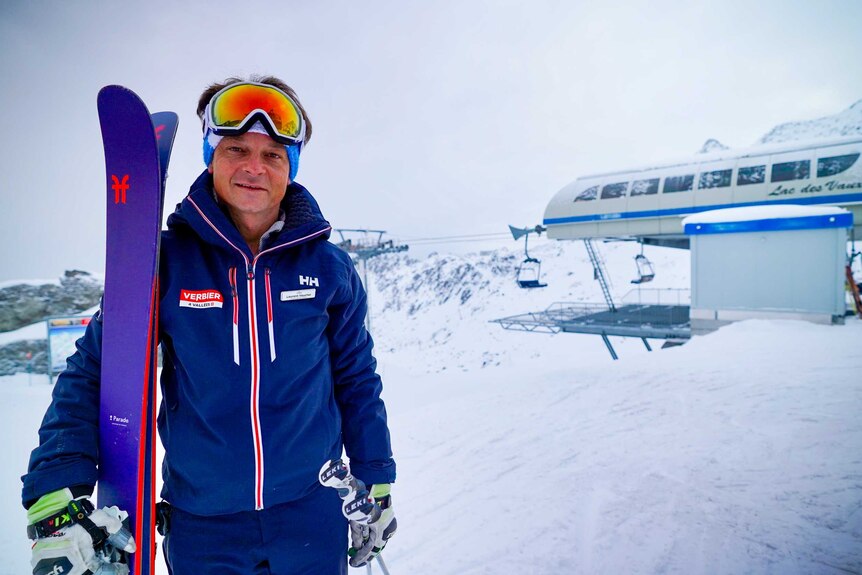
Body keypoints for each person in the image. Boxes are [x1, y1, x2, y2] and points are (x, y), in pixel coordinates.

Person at [22, 76, 397, 575]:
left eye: (273, 156)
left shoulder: (329, 268)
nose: (253, 167)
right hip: (204, 525)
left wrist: (376, 477)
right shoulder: (164, 261)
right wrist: (56, 486)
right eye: (236, 148)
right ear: (210, 156)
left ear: (290, 169)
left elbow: (355, 377)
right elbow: (97, 370)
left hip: (311, 514)